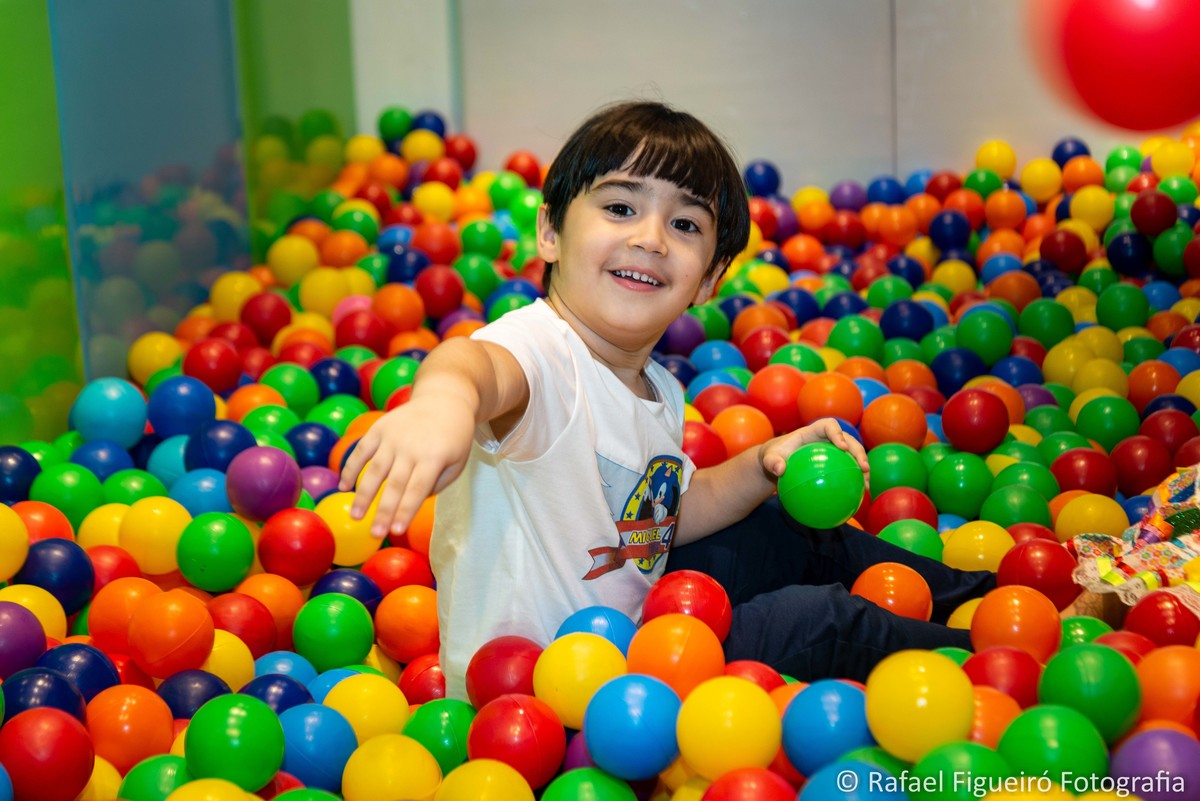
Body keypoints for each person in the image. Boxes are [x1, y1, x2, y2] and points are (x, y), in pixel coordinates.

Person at [340, 100, 997, 700]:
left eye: (684, 223)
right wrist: (442, 406)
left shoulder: (658, 387)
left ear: (708, 278)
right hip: (557, 695)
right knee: (813, 622)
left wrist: (764, 462)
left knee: (797, 529)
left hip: (642, 625)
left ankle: (993, 598)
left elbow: (661, 520)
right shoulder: (541, 348)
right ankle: (1003, 666)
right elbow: (475, 365)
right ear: (549, 233)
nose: (651, 237)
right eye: (621, 208)